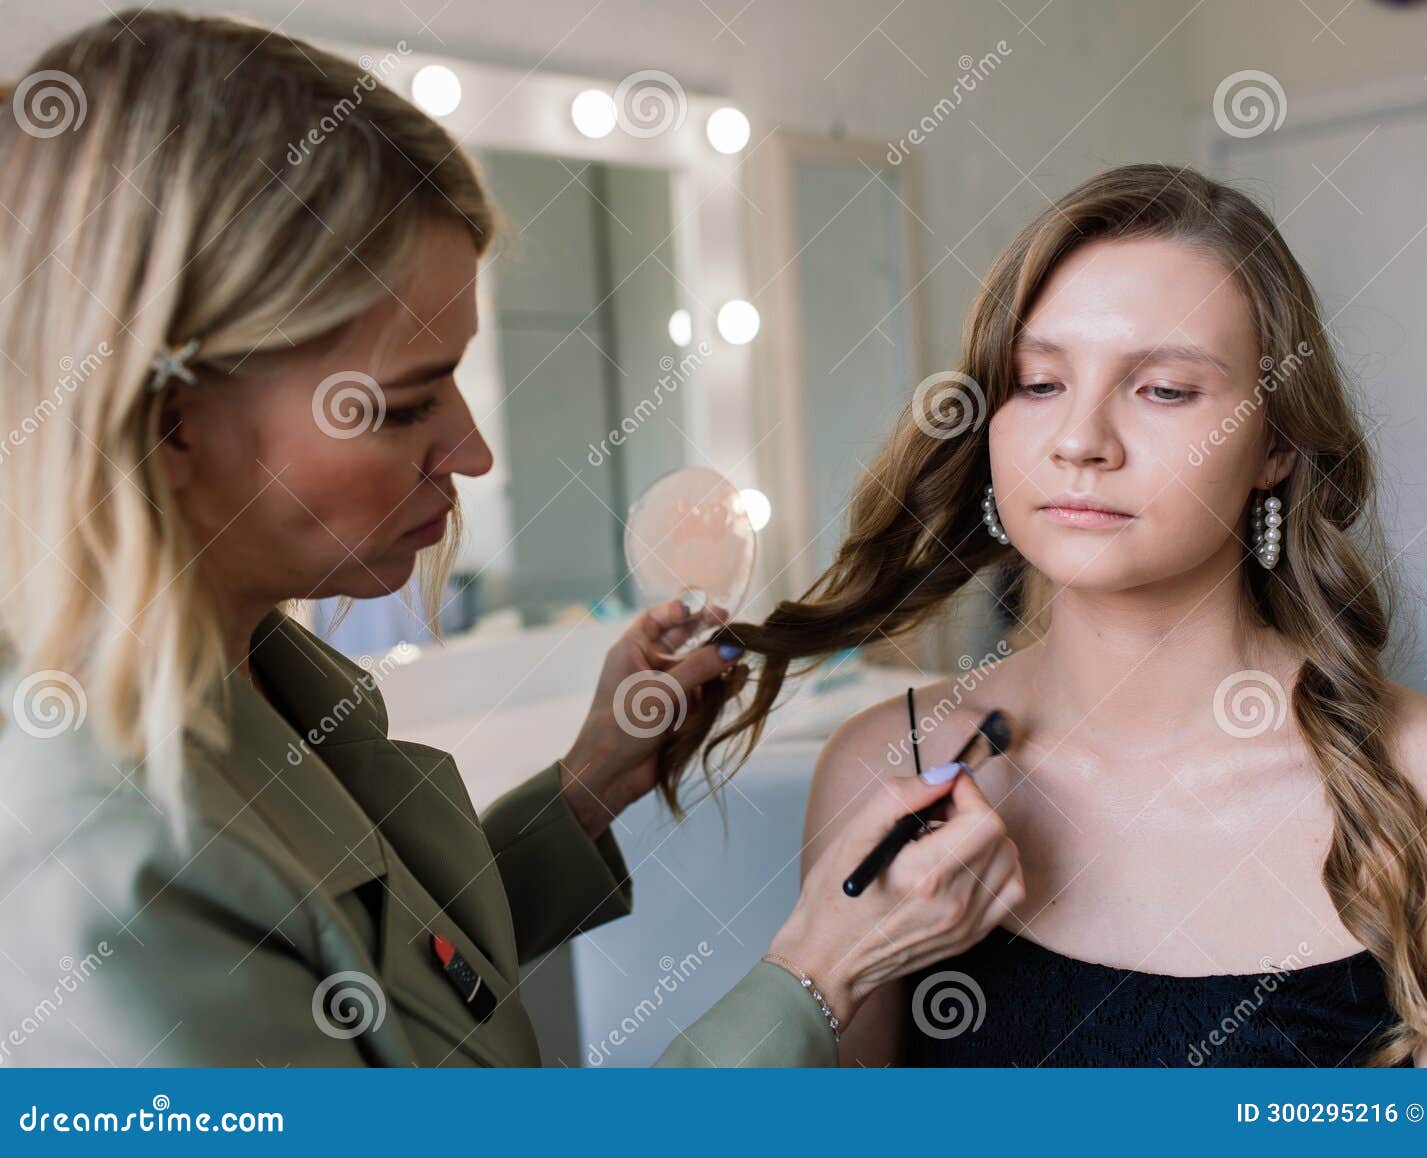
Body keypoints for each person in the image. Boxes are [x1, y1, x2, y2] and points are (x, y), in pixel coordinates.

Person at [0, 10, 1024, 1067]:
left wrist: (588, 786)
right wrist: (817, 974)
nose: (476, 453)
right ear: (163, 420)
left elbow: (385, 986)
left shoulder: (257, 668)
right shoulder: (82, 864)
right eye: (402, 406)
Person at [671, 165, 1427, 1067]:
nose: (1080, 441)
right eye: (1037, 382)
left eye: (1163, 390)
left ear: (1274, 443)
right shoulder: (886, 768)